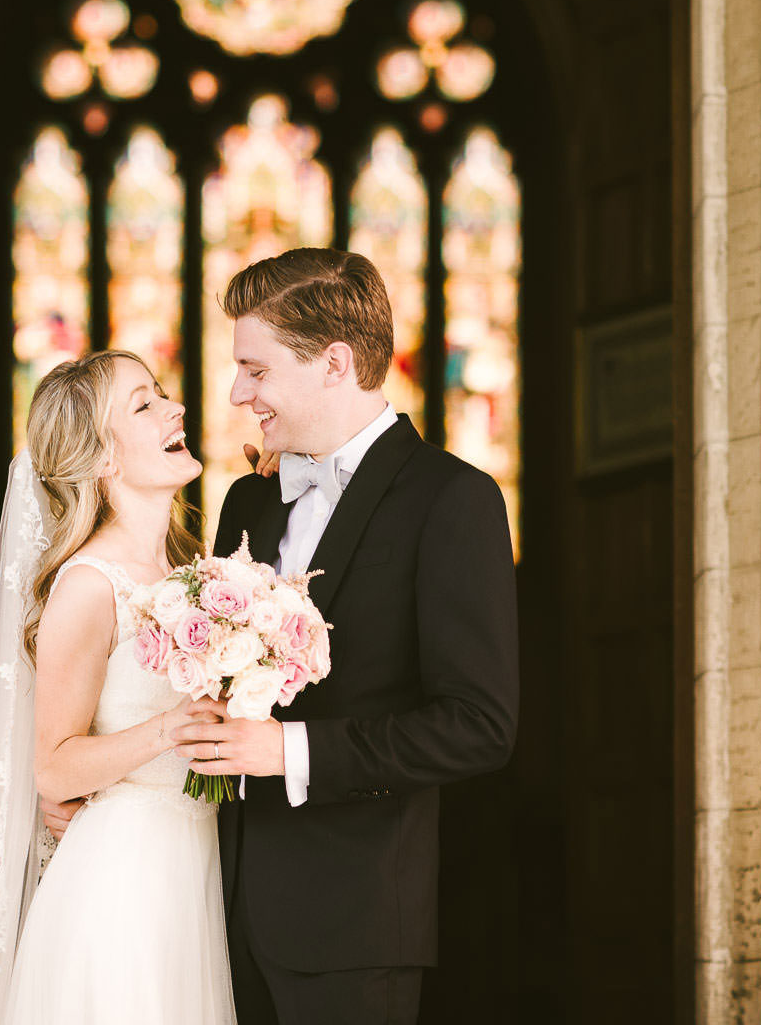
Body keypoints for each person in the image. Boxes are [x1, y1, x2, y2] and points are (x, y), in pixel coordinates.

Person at [173, 248, 522, 1024]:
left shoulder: (452, 500)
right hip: (214, 918)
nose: (237, 393)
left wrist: (289, 752)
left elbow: (479, 726)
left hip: (353, 927)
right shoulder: (247, 503)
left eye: (256, 371)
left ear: (335, 363)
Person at [0, 350, 235, 1024]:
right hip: (122, 881)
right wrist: (168, 729)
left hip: (193, 868)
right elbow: (53, 767)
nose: (176, 408)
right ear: (104, 460)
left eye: (162, 393)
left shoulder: (196, 574)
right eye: (145, 404)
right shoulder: (88, 584)